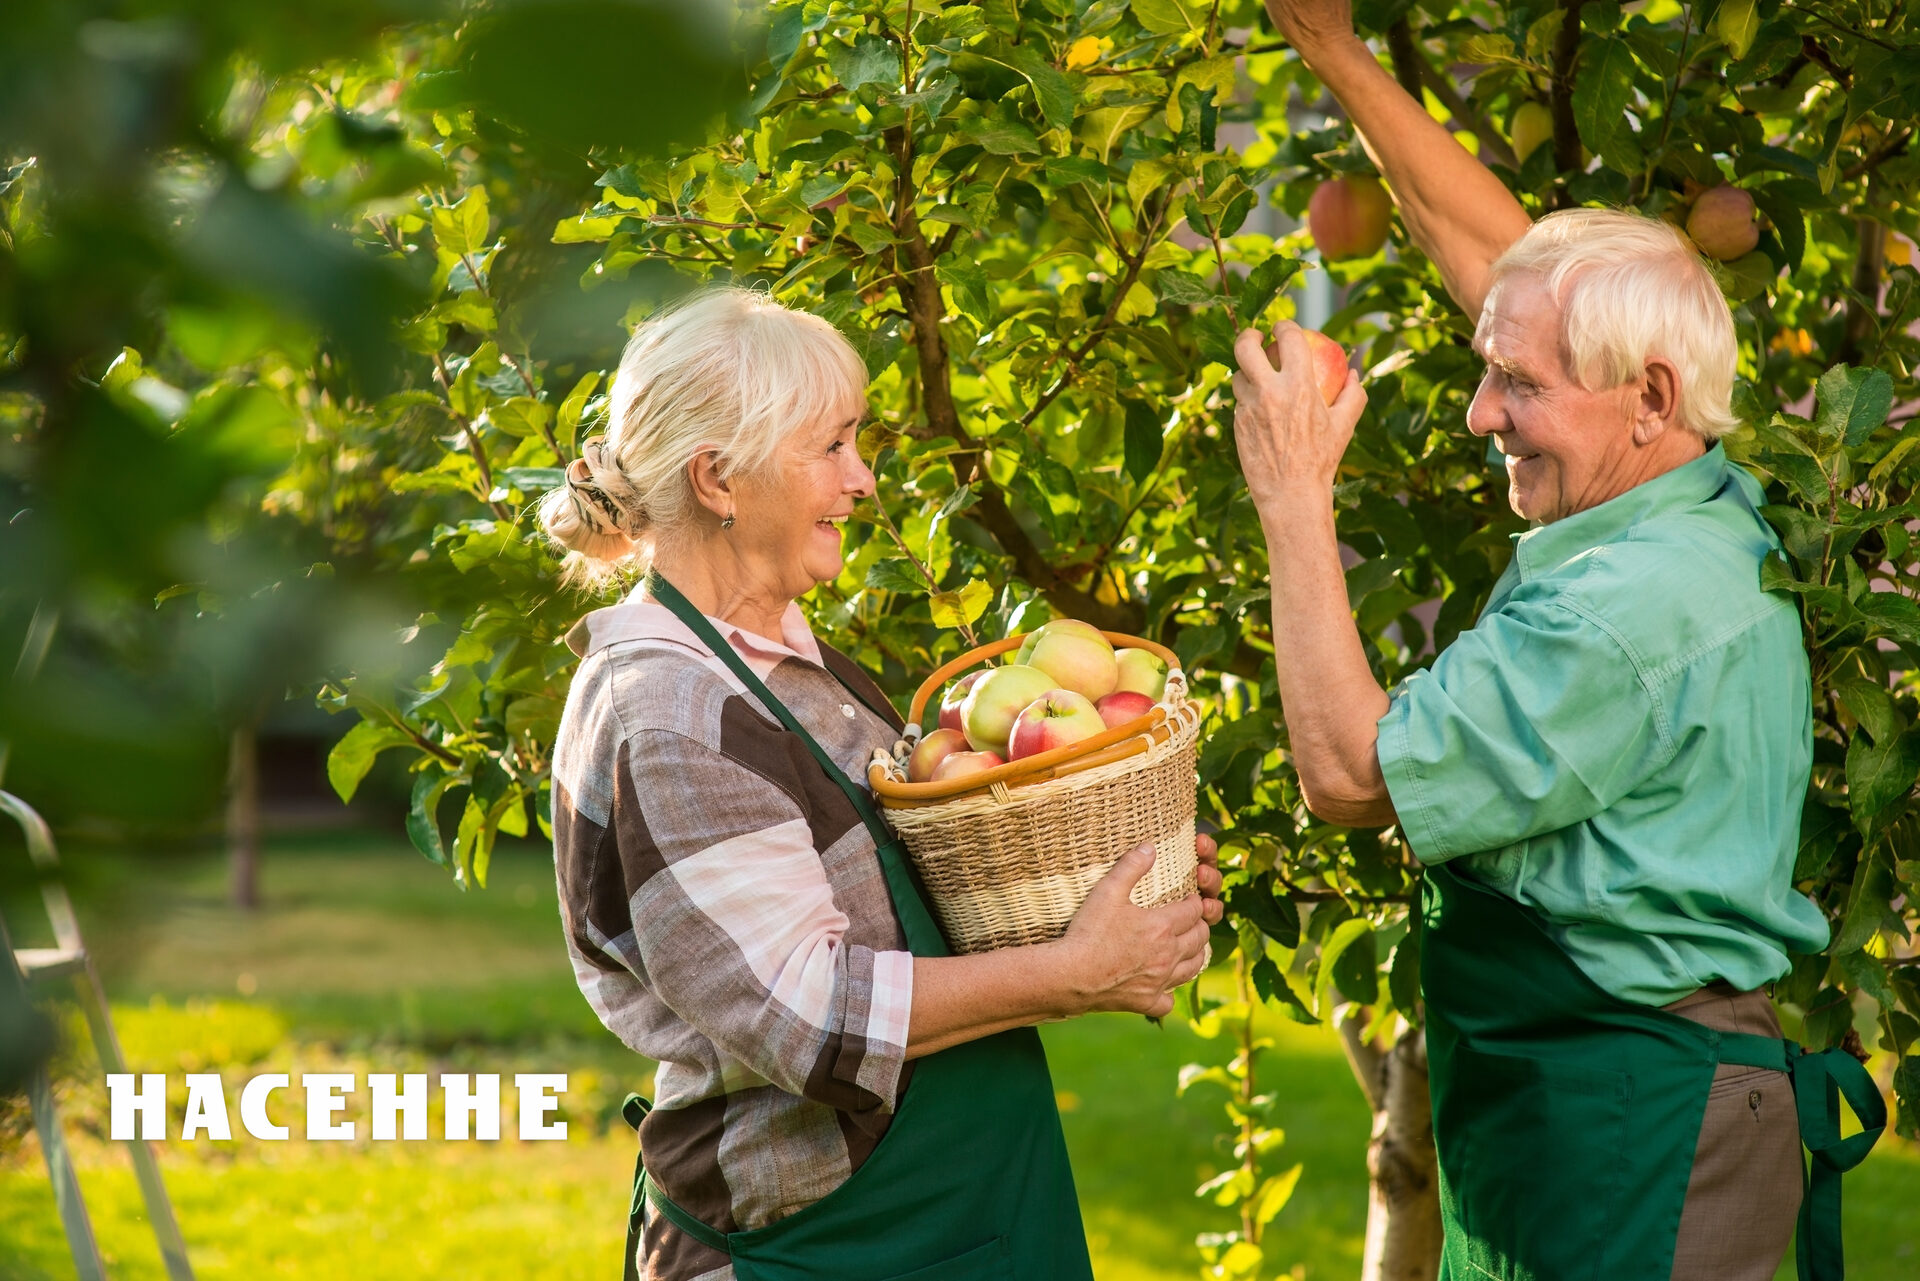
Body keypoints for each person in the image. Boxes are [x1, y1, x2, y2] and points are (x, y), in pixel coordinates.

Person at [1231, 3, 1885, 1278]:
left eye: (1516, 388)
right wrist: (1331, 46)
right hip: (1604, 1109)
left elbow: (1353, 777)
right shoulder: (1690, 484)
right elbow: (1506, 265)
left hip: (1632, 1141)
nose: (1484, 416)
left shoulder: (1615, 611)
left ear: (1643, 393)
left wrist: (1293, 498)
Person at [540, 286, 1221, 1281]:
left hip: (946, 1215)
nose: (862, 482)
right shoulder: (672, 717)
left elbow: (903, 915)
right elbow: (809, 1016)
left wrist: (1119, 901)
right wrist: (1074, 974)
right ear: (718, 480)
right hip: (818, 1244)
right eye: (832, 448)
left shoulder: (783, 665)